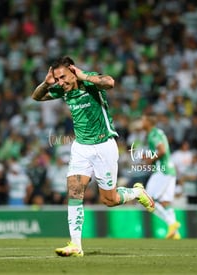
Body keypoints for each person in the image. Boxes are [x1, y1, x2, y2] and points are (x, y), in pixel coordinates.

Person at [32, 56, 155, 257]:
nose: (60, 82)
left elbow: (110, 82)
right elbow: (37, 97)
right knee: (74, 192)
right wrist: (46, 83)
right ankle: (76, 245)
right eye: (57, 79)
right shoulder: (62, 90)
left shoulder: (90, 82)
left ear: (73, 71)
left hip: (103, 146)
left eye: (63, 77)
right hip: (81, 147)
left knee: (110, 199)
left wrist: (84, 75)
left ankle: (137, 193)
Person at [140, 114, 180, 239]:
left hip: (162, 171)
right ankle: (175, 234)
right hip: (170, 170)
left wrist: (150, 159)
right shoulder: (158, 132)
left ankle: (172, 223)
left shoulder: (153, 134)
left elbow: (161, 150)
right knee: (165, 202)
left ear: (149, 122)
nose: (141, 122)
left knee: (148, 199)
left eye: (143, 119)